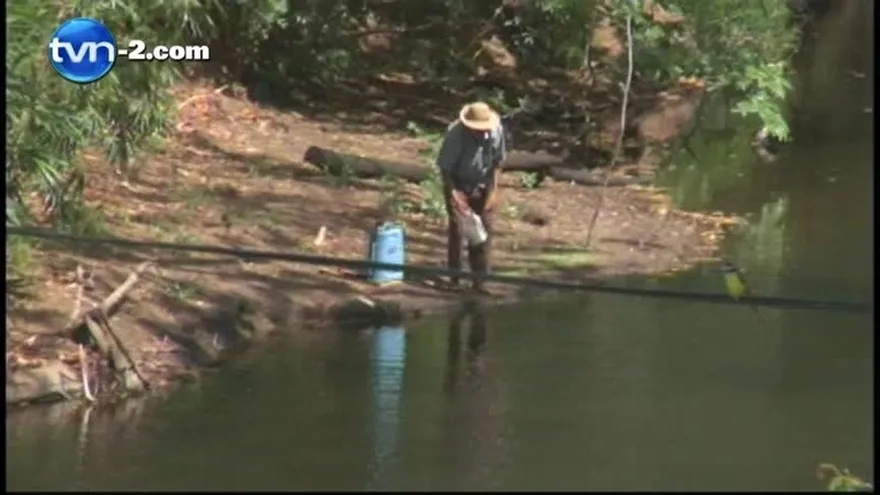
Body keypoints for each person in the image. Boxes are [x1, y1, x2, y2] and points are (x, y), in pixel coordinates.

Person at [435, 102, 507, 294]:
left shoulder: (496, 131)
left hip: (483, 183)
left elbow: (497, 163)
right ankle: (455, 277)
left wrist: (493, 192)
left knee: (483, 230)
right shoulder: (455, 135)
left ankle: (480, 281)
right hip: (457, 182)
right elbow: (445, 169)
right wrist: (455, 195)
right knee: (458, 231)